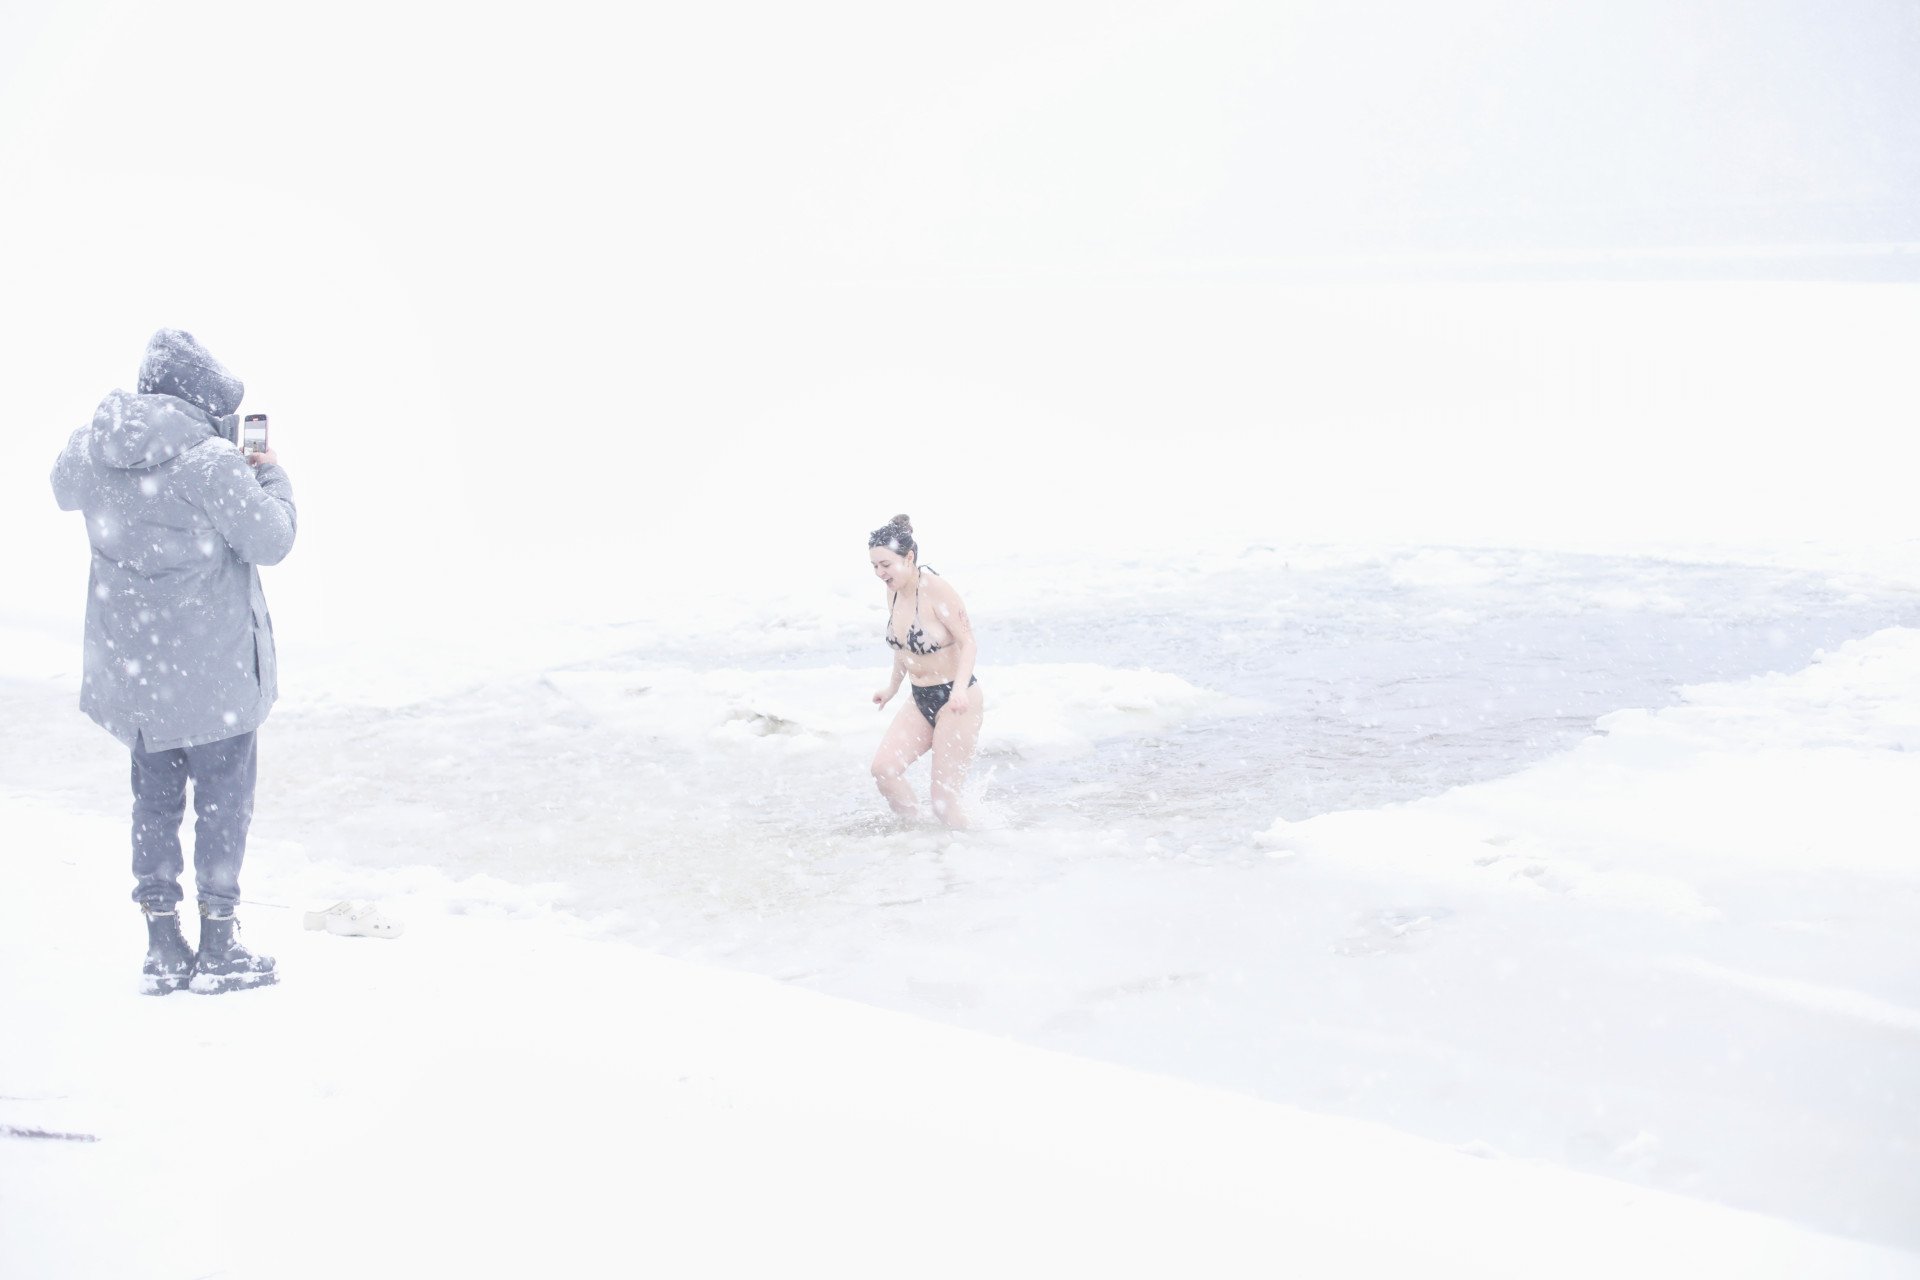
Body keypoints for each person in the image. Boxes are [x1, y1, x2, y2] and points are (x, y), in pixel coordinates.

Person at [50, 329, 297, 995]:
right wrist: (266, 468)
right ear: (197, 397)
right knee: (221, 806)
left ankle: (162, 944)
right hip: (213, 675)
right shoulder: (212, 462)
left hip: (140, 679)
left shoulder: (93, 451)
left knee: (154, 804)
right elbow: (272, 540)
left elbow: (61, 485)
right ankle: (218, 944)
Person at [867, 514, 983, 827]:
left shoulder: (938, 590)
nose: (880, 573)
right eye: (875, 566)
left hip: (956, 700)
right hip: (920, 697)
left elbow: (968, 642)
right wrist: (892, 688)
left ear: (909, 557)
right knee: (884, 769)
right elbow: (903, 645)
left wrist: (959, 690)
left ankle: (969, 857)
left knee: (944, 803)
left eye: (886, 565)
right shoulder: (893, 590)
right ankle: (917, 838)